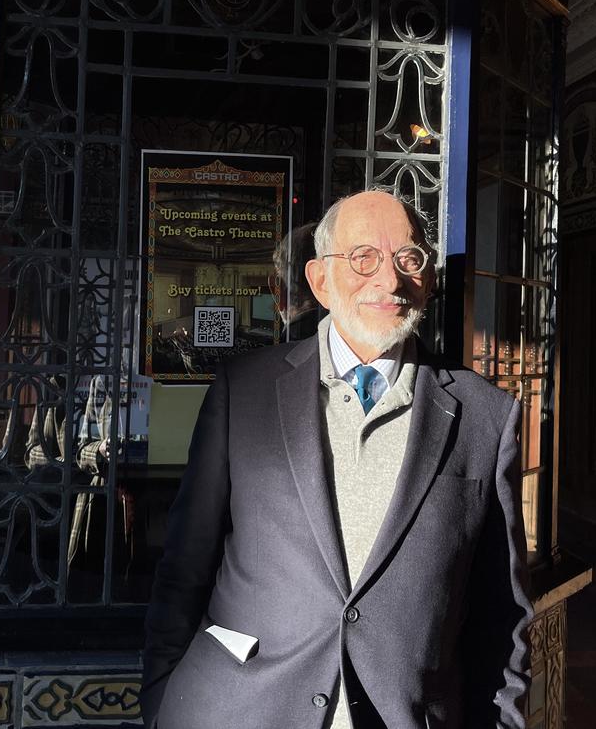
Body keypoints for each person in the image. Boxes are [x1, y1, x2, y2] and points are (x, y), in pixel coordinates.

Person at [142, 190, 533, 729]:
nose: (390, 281)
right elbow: (184, 569)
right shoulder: (245, 391)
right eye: (363, 257)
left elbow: (500, 613)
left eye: (408, 259)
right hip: (240, 709)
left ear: (429, 277)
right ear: (320, 281)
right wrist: (161, 699)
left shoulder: (486, 417)